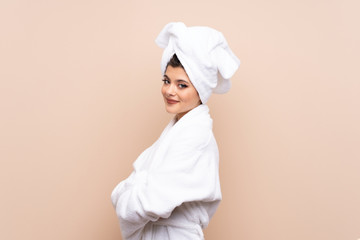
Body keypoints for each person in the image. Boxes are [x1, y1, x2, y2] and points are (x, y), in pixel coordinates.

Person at [111, 22, 240, 240]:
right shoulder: (179, 128)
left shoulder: (195, 135)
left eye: (182, 85)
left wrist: (124, 198)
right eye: (166, 81)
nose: (170, 91)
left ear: (201, 90)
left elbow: (152, 199)